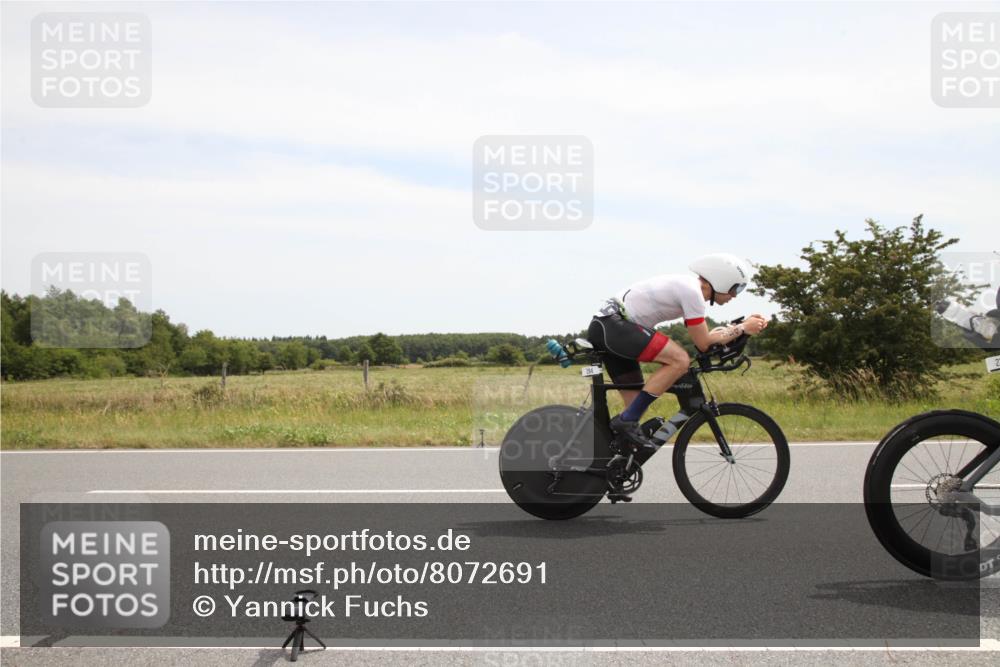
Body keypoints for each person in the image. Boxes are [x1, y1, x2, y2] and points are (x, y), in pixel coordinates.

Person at [586, 253, 768, 447]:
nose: (734, 295)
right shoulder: (693, 293)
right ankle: (625, 422)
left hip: (611, 327)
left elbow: (706, 336)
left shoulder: (689, 289)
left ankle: (611, 458)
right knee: (680, 360)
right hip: (614, 327)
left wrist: (737, 328)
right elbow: (703, 343)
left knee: (634, 406)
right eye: (735, 288)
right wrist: (742, 328)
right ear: (721, 281)